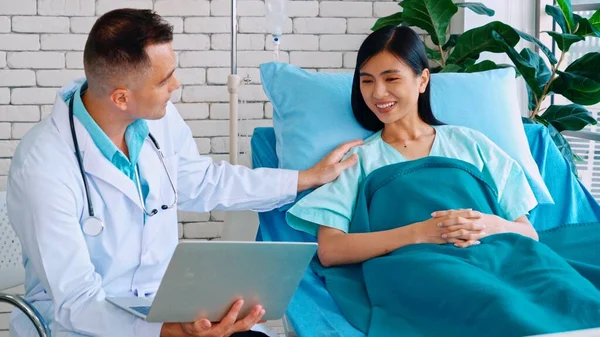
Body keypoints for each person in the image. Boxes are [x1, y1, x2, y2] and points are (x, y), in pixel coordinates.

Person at [6, 9, 361, 337]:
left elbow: (204, 181)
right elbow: (76, 303)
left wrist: (306, 178)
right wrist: (172, 332)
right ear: (120, 98)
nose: (176, 85)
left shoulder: (155, 120)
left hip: (164, 306)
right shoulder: (43, 166)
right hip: (87, 326)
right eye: (165, 79)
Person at [286, 25, 539, 264]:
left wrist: (487, 225)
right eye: (367, 81)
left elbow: (529, 234)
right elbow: (330, 250)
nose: (377, 93)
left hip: (494, 260)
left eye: (391, 79)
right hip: (417, 272)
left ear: (423, 80)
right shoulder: (357, 159)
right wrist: (421, 233)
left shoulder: (471, 143)